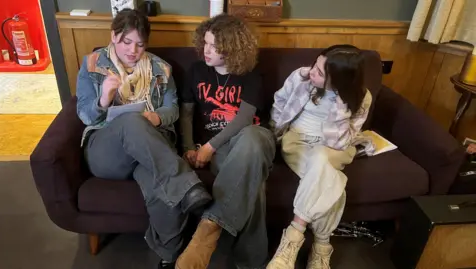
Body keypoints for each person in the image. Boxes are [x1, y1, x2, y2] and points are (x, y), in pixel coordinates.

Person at [75, 8, 212, 267]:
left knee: (163, 189)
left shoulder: (162, 69)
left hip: (149, 148)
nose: (133, 51)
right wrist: (104, 98)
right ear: (114, 36)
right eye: (127, 42)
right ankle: (188, 185)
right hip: (106, 151)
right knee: (129, 121)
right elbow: (84, 114)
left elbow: (172, 109)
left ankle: (169, 256)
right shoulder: (93, 64)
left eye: (140, 44)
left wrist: (156, 118)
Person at [175, 14, 276, 269]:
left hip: (254, 138)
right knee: (254, 183)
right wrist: (188, 147)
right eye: (205, 43)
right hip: (223, 149)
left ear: (232, 49)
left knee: (252, 139)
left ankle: (209, 230)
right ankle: (250, 262)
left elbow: (244, 118)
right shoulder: (197, 70)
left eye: (214, 47)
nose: (206, 51)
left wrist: (207, 147)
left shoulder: (250, 73)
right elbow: (186, 112)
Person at [267, 45, 373, 269]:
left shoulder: (361, 98)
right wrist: (274, 133)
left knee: (322, 159)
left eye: (320, 73)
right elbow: (279, 104)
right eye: (316, 64)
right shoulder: (301, 78)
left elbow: (339, 142)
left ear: (340, 81)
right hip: (298, 141)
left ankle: (293, 237)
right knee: (329, 177)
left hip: (335, 148)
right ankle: (322, 245)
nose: (312, 72)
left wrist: (341, 106)